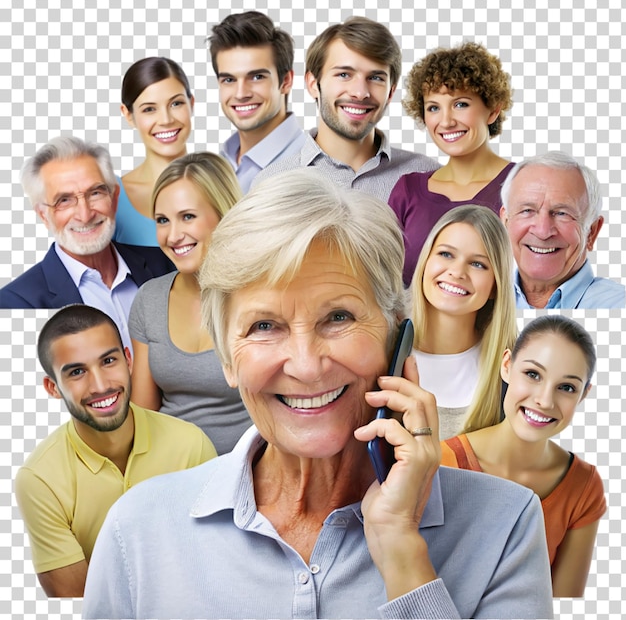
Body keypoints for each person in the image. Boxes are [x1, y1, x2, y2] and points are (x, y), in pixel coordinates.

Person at [83, 170, 553, 619]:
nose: (307, 366)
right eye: (264, 326)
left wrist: (402, 553)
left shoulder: (505, 524)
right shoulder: (139, 529)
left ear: (397, 337)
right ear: (227, 359)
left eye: (339, 318)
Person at [14, 305, 216, 598]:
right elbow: (78, 603)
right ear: (52, 387)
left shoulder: (191, 444)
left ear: (129, 359)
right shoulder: (39, 480)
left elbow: (215, 566)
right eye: (77, 371)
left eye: (108, 361)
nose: (101, 385)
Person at [441, 315, 607, 597]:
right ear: (507, 365)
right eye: (533, 374)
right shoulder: (440, 463)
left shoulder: (583, 485)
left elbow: (561, 604)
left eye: (566, 387)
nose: (545, 400)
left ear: (583, 395)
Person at [0, 136, 174, 351]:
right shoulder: (17, 303)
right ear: (44, 215)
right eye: (64, 200)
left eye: (95, 193)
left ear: (115, 197)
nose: (85, 215)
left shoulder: (166, 264)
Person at [128, 152, 252, 454]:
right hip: (170, 474)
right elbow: (141, 418)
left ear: (224, 214)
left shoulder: (258, 294)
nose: (173, 235)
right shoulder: (150, 298)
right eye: (162, 220)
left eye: (188, 217)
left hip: (249, 473)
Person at [253, 16, 439, 201]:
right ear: (312, 84)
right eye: (344, 74)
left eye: (376, 78)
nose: (360, 93)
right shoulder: (271, 184)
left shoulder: (430, 178)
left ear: (390, 92)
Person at [389, 42, 515, 286]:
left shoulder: (521, 185)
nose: (446, 121)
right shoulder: (408, 189)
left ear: (493, 110)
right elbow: (384, 278)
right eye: (434, 108)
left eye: (460, 104)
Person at [410, 205, 517, 439]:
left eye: (478, 264)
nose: (457, 272)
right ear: (426, 261)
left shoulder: (512, 371)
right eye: (446, 254)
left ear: (494, 287)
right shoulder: (383, 345)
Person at [500, 151, 625, 308]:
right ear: (505, 222)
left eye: (561, 213)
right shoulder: (482, 303)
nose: (542, 231)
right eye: (527, 211)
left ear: (592, 232)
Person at [207, 11, 307, 194]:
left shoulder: (312, 168)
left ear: (286, 81)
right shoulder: (217, 165)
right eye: (229, 80)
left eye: (256, 77)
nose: (241, 93)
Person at [116, 56, 195, 246]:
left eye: (176, 104)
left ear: (191, 103)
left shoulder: (222, 182)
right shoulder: (112, 199)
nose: (166, 120)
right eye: (149, 109)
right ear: (128, 115)